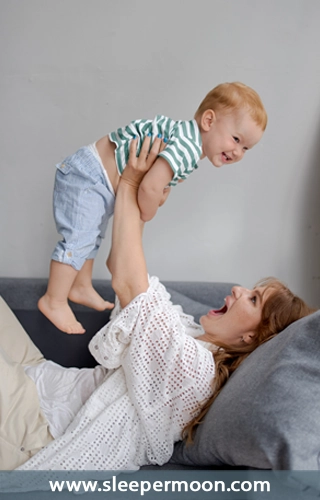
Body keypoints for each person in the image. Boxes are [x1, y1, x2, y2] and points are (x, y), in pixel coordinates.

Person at [1, 135, 313, 472]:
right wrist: (139, 194)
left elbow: (127, 280)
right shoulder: (188, 332)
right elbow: (132, 277)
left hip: (38, 424)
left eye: (253, 299)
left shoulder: (195, 372)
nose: (238, 289)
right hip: (43, 377)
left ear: (252, 337)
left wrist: (131, 182)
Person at [38, 82, 267, 334]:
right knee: (78, 239)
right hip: (88, 175)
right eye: (236, 139)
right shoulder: (188, 148)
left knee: (92, 234)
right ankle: (54, 300)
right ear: (209, 121)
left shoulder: (186, 139)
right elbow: (148, 188)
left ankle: (80, 286)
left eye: (246, 148)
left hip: (96, 177)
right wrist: (151, 209)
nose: (238, 152)